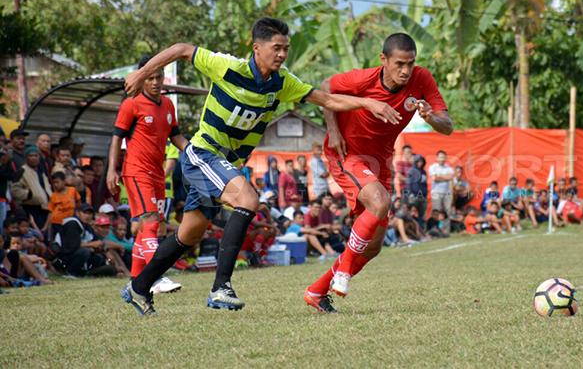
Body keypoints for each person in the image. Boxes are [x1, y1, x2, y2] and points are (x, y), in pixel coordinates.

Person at [120, 17, 400, 315]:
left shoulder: (283, 82)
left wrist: (369, 104)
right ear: (256, 48)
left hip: (226, 164)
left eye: (286, 49)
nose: (281, 54)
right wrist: (142, 73)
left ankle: (138, 287)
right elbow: (181, 48)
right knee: (248, 199)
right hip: (204, 154)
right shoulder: (227, 67)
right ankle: (221, 288)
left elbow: (327, 99)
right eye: (276, 48)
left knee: (190, 233)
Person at [305, 32, 452, 313]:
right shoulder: (363, 80)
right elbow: (325, 87)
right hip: (347, 153)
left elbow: (447, 125)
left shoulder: (422, 79)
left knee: (372, 247)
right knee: (380, 201)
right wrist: (334, 131)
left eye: (410, 63)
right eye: (399, 64)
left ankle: (316, 291)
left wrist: (431, 116)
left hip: (381, 162)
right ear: (383, 60)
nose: (406, 71)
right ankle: (343, 271)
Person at [107, 55, 188, 297]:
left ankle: (135, 284)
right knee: (151, 221)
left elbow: (177, 137)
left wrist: (196, 152)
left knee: (149, 228)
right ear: (141, 78)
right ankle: (156, 276)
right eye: (150, 77)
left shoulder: (168, 105)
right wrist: (112, 169)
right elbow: (116, 138)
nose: (155, 82)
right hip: (136, 172)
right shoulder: (131, 104)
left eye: (159, 77)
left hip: (157, 175)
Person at [54, 204, 117, 277]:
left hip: (79, 256)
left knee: (99, 257)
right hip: (64, 258)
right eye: (85, 213)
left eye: (90, 213)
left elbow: (97, 242)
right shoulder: (72, 223)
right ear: (77, 213)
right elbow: (71, 246)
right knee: (84, 251)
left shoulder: (87, 226)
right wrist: (91, 245)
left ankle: (87, 273)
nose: (88, 216)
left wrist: (105, 251)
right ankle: (71, 273)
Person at [10, 146, 52, 230]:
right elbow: (15, 189)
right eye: (31, 156)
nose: (34, 158)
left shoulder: (41, 172)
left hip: (45, 208)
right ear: (26, 158)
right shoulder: (21, 171)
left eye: (36, 156)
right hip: (30, 208)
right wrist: (28, 195)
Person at [45, 172, 81, 241]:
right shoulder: (54, 196)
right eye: (54, 183)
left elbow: (78, 203)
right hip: (57, 223)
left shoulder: (72, 190)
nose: (55, 185)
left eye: (57, 182)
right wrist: (46, 227)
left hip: (70, 221)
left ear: (64, 181)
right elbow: (50, 212)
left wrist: (78, 215)